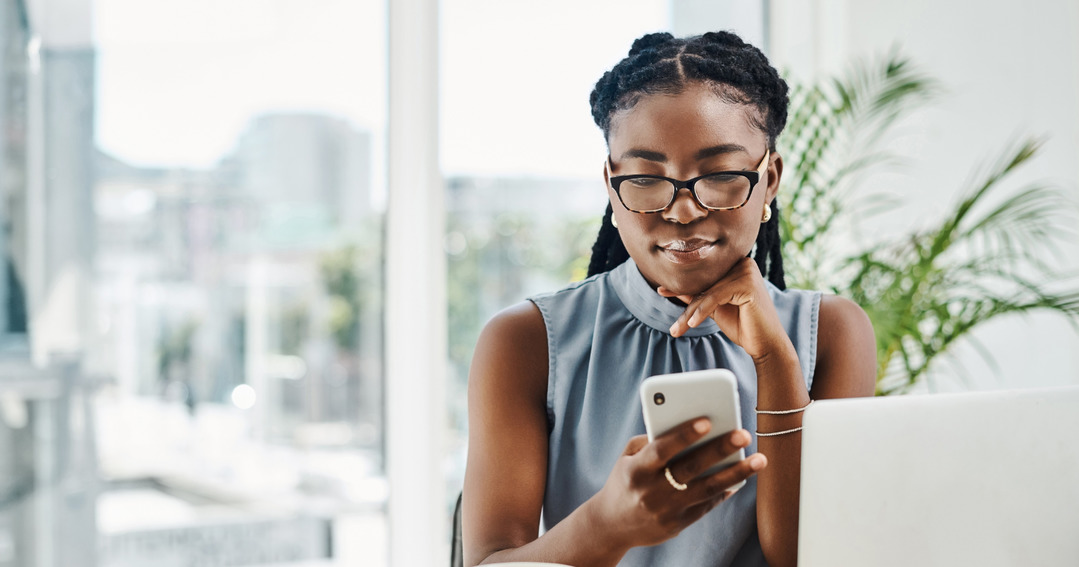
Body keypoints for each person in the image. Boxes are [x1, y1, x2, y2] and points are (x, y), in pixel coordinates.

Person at [463, 30, 876, 567]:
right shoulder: (527, 341)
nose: (683, 212)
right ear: (612, 186)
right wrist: (607, 524)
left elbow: (806, 556)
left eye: (721, 175)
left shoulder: (833, 333)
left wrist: (776, 361)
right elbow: (489, 561)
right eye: (646, 178)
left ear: (769, 179)